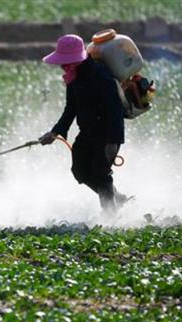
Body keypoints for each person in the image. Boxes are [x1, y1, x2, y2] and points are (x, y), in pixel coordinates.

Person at [38, 34, 130, 213]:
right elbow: (71, 108)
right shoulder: (74, 78)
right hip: (87, 132)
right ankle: (117, 197)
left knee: (100, 173)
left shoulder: (102, 77)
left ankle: (110, 217)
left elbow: (115, 111)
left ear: (76, 59)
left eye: (66, 62)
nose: (63, 66)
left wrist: (113, 142)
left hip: (107, 134)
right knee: (79, 170)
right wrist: (55, 132)